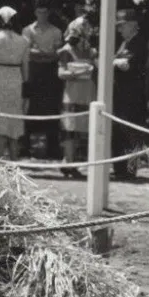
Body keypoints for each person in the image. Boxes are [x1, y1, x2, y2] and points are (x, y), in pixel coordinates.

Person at [0, 7, 30, 160]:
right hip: (15, 81)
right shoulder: (23, 41)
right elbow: (26, 69)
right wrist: (25, 90)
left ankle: (0, 158)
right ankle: (14, 160)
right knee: (13, 121)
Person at [22, 0, 64, 158]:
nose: (42, 15)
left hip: (50, 73)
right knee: (30, 108)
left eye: (45, 12)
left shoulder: (56, 31)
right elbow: (28, 51)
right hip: (33, 72)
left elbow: (57, 52)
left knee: (51, 108)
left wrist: (42, 53)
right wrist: (45, 54)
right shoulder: (27, 30)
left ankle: (52, 148)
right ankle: (25, 147)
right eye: (39, 12)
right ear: (35, 13)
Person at [57, 22, 96, 179]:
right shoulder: (66, 51)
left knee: (83, 131)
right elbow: (61, 73)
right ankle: (69, 162)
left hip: (87, 94)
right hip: (72, 94)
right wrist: (77, 73)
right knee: (69, 130)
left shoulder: (92, 51)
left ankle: (74, 163)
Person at [112, 8, 148, 180]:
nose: (119, 30)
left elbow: (127, 64)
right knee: (120, 130)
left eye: (122, 26)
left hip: (133, 95)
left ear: (133, 25)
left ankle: (130, 169)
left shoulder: (139, 42)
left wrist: (111, 61)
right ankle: (120, 168)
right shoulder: (124, 43)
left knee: (131, 131)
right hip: (121, 95)